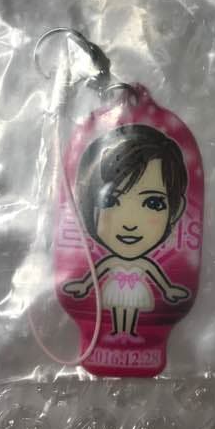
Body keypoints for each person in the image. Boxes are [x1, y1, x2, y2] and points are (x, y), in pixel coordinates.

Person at [63, 124, 190, 343]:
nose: (129, 223)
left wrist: (168, 290)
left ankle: (128, 332)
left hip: (134, 291)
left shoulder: (141, 264)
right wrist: (84, 285)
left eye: (153, 203)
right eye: (109, 200)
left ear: (175, 211)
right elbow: (99, 272)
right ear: (85, 204)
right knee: (118, 307)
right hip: (115, 293)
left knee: (129, 309)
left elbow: (156, 275)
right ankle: (118, 332)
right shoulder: (110, 262)